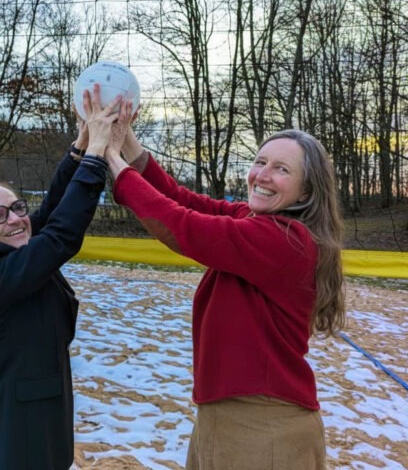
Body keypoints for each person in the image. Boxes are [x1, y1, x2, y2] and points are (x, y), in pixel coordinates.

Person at [105, 103, 346, 469]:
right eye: (260, 162)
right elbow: (181, 200)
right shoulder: (256, 219)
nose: (263, 175)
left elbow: (180, 226)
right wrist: (125, 140)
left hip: (263, 425)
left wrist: (109, 156)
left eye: (281, 169)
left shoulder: (285, 240)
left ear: (305, 192)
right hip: (228, 415)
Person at [0, 88, 120, 469]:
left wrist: (79, 148)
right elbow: (61, 235)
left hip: (37, 419)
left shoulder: (7, 258)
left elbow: (49, 213)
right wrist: (96, 156)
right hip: (14, 436)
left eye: (17, 207)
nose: (16, 218)